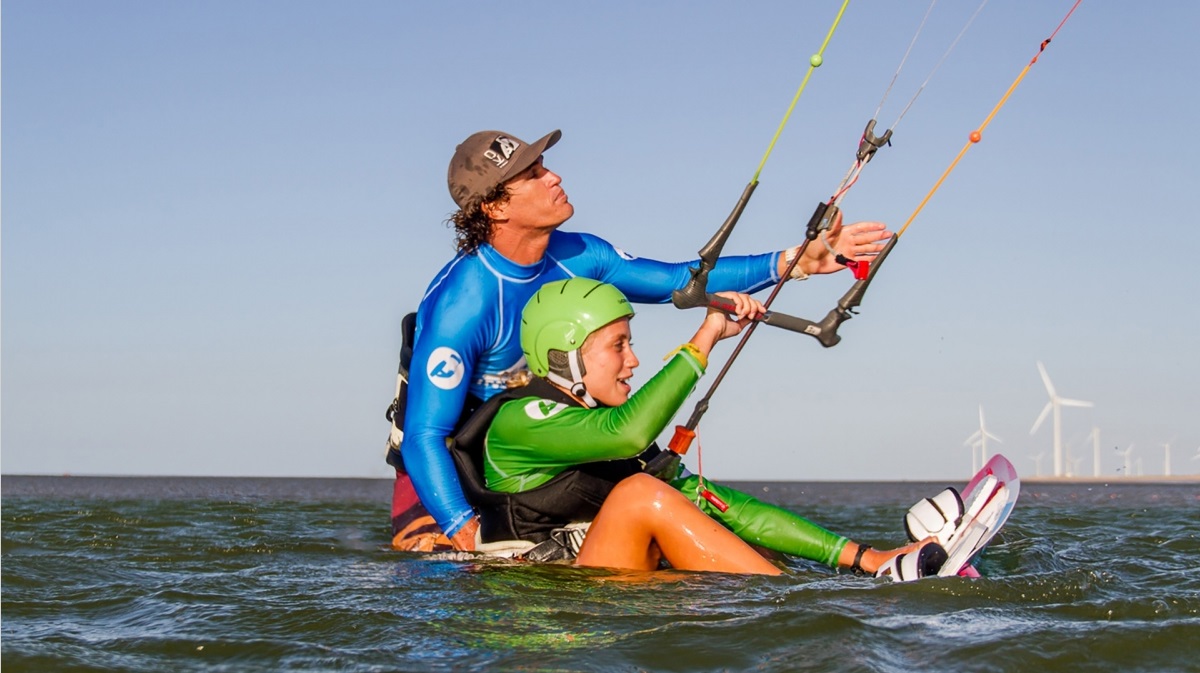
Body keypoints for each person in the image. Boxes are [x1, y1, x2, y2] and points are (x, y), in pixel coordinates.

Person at [388, 128, 894, 552]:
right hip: (448, 464)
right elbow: (424, 437)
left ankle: (859, 562)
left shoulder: (580, 254)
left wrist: (794, 262)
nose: (555, 176)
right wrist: (460, 525)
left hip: (544, 447)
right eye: (534, 174)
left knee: (667, 515)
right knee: (447, 578)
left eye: (545, 164)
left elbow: (680, 281)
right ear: (496, 207)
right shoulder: (464, 303)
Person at [456, 277, 944, 576]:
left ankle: (868, 578)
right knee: (639, 494)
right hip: (546, 616)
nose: (634, 361)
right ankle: (803, 607)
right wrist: (706, 335)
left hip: (603, 593)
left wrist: (864, 556)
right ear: (564, 355)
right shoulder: (521, 420)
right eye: (618, 346)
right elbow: (628, 432)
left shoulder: (602, 432)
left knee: (723, 526)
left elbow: (728, 507)